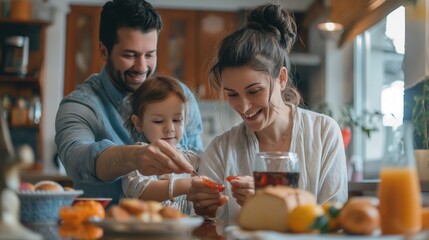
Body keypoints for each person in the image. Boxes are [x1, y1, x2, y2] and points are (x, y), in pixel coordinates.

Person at [188, 3, 348, 223]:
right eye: (232, 94)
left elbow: (332, 220)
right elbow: (210, 225)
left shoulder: (323, 132)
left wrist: (268, 202)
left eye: (255, 91)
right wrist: (204, 209)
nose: (243, 107)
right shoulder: (220, 150)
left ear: (281, 79)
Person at [55, 0, 203, 205]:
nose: (142, 67)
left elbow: (200, 163)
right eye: (129, 55)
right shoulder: (80, 106)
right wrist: (133, 157)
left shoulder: (181, 97)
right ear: (104, 51)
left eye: (150, 54)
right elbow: (76, 160)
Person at [122, 75, 199, 215]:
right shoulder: (136, 158)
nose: (169, 128)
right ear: (138, 123)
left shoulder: (193, 159)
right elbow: (142, 192)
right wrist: (185, 185)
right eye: (158, 121)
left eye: (177, 119)